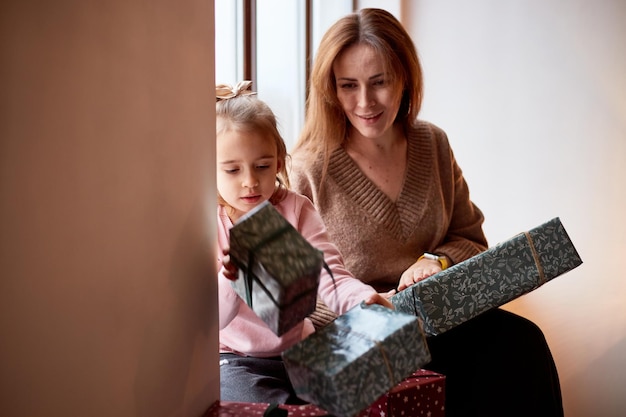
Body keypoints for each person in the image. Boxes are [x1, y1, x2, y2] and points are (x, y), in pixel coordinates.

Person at [290, 8, 564, 417]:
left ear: (404, 77)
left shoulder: (432, 143)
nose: (364, 102)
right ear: (330, 89)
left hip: (442, 323)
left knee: (522, 343)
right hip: (359, 339)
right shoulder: (308, 169)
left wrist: (435, 260)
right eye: (349, 86)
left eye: (379, 82)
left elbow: (471, 238)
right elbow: (296, 296)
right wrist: (367, 304)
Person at [214, 81, 394, 405]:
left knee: (363, 392)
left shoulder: (294, 210)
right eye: (232, 170)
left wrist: (362, 299)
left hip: (301, 347)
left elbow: (331, 274)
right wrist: (230, 278)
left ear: (280, 162)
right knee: (255, 404)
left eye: (263, 166)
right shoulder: (210, 225)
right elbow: (213, 319)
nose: (250, 181)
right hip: (236, 357)